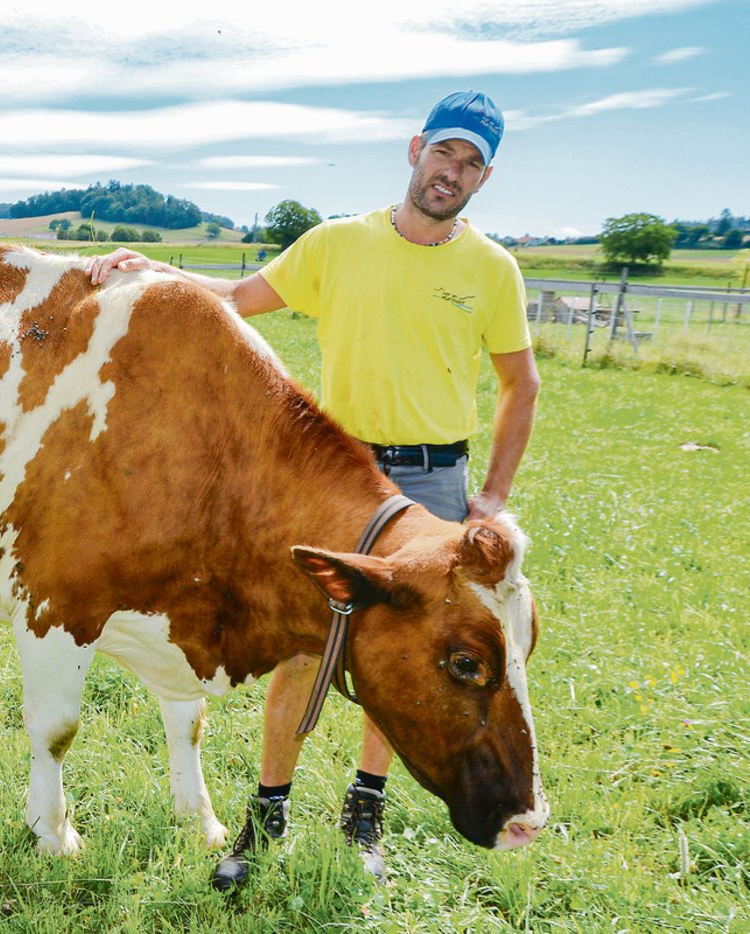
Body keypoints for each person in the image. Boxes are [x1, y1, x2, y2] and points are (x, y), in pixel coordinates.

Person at [86, 91, 540, 891]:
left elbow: (520, 385)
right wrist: (157, 272)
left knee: (414, 655)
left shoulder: (490, 268)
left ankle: (365, 808)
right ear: (414, 150)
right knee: (303, 646)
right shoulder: (337, 244)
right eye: (444, 153)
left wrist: (493, 495)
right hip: (337, 475)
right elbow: (234, 300)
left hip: (434, 476)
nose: (452, 172)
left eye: (471, 163)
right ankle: (267, 814)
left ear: (485, 176)